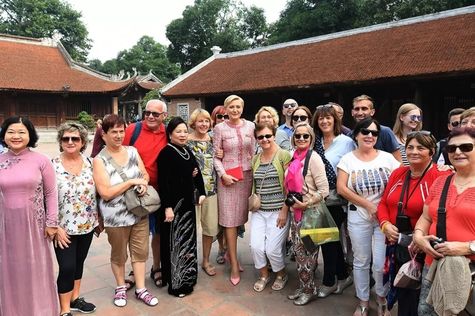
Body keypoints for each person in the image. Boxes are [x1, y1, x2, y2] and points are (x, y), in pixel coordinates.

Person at [377, 131, 450, 316]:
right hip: (398, 242)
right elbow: (384, 203)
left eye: (420, 147)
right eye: (410, 147)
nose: (414, 151)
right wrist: (385, 224)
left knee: (420, 297)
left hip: (423, 247)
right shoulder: (398, 173)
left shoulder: (441, 176)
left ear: (431, 152)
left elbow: (441, 214)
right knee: (403, 287)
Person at [337, 117, 400, 316]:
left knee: (381, 262)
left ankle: (381, 296)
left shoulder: (388, 158)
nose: (370, 136)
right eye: (365, 132)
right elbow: (341, 188)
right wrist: (367, 204)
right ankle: (363, 300)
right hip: (359, 215)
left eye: (374, 133)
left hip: (385, 218)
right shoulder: (348, 159)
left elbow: (401, 181)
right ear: (356, 135)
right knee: (361, 260)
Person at [93, 114, 158, 307]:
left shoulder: (132, 151)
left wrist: (143, 184)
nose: (119, 135)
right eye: (114, 132)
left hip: (139, 212)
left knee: (140, 253)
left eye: (122, 131)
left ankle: (140, 289)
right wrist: (130, 182)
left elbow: (144, 174)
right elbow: (105, 193)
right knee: (119, 255)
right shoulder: (99, 160)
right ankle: (120, 287)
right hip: (116, 217)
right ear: (104, 135)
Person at [0, 116, 62, 315]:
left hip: (34, 225)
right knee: (8, 270)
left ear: (30, 135)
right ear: (4, 135)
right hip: (4, 225)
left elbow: (51, 193)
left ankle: (39, 310)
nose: (16, 136)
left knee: (35, 269)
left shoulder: (41, 160)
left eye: (21, 132)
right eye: (11, 131)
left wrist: (52, 222)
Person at [413, 127, 475, 316]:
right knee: (427, 311)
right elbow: (426, 217)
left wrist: (467, 247)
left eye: (465, 147)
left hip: (470, 270)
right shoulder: (441, 182)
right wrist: (419, 236)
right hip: (434, 264)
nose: (457, 152)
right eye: (452, 148)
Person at [52, 122, 99, 316]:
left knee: (79, 262)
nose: (70, 142)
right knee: (67, 266)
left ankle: (74, 299)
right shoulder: (51, 165)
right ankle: (64, 310)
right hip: (63, 228)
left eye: (75, 138)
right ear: (61, 141)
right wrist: (54, 226)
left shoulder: (91, 163)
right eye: (66, 138)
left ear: (83, 142)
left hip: (87, 224)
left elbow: (99, 192)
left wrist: (99, 220)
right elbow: (44, 198)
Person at [157, 117, 206, 297]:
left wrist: (201, 192)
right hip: (174, 207)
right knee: (175, 242)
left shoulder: (186, 150)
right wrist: (167, 207)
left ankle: (189, 277)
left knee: (188, 241)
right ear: (170, 134)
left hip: (187, 206)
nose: (183, 134)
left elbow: (196, 172)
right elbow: (164, 183)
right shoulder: (166, 153)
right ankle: (176, 283)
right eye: (178, 131)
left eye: (185, 131)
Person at [123, 99, 168, 289]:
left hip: (159, 191)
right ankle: (135, 270)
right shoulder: (133, 130)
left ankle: (156, 267)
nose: (150, 116)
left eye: (155, 114)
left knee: (157, 233)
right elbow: (121, 154)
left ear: (163, 116)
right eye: (147, 112)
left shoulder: (168, 132)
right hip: (136, 191)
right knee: (136, 234)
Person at [312, 104, 355, 298]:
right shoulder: (315, 141)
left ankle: (329, 281)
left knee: (328, 240)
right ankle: (343, 275)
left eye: (328, 118)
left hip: (337, 198)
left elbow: (352, 167)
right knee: (329, 240)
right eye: (321, 118)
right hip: (317, 197)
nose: (325, 121)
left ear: (335, 120)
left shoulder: (346, 142)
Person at [285, 122, 329, 306]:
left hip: (310, 214)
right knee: (299, 254)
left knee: (308, 256)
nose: (301, 139)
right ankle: (305, 286)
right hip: (296, 214)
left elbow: (324, 190)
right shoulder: (294, 157)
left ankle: (309, 290)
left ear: (311, 139)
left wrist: (307, 203)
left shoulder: (314, 158)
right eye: (298, 136)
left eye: (306, 136)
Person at [213, 94, 255, 285]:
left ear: (243, 108)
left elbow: (254, 151)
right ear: (226, 109)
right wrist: (223, 174)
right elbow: (215, 157)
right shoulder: (219, 128)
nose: (235, 110)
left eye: (238, 107)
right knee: (229, 220)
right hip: (228, 179)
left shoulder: (251, 126)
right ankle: (234, 262)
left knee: (240, 219)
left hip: (246, 176)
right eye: (231, 107)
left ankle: (230, 254)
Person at [250, 123, 292, 292]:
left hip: (278, 210)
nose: (265, 139)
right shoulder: (256, 158)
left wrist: (284, 209)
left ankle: (281, 274)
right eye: (260, 137)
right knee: (256, 246)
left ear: (274, 135)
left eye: (268, 136)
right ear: (257, 139)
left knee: (273, 249)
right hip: (260, 211)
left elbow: (290, 185)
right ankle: (264, 275)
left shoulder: (284, 156)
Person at [187, 109, 219, 277]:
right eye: (200, 121)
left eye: (207, 121)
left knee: (209, 227)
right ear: (194, 123)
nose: (204, 124)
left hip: (211, 190)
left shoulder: (213, 140)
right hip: (192, 191)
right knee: (191, 228)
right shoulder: (185, 140)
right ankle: (188, 261)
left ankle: (206, 260)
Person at [351, 94, 402, 162]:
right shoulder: (349, 135)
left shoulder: (385, 132)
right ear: (352, 112)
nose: (360, 113)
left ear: (372, 112)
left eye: (364, 109)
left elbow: (398, 161)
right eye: (357, 109)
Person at [210, 104, 228, 265]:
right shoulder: (208, 135)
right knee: (219, 219)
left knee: (231, 218)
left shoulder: (231, 132)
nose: (223, 120)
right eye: (220, 117)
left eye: (225, 117)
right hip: (212, 182)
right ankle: (222, 248)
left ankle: (229, 247)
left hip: (228, 179)